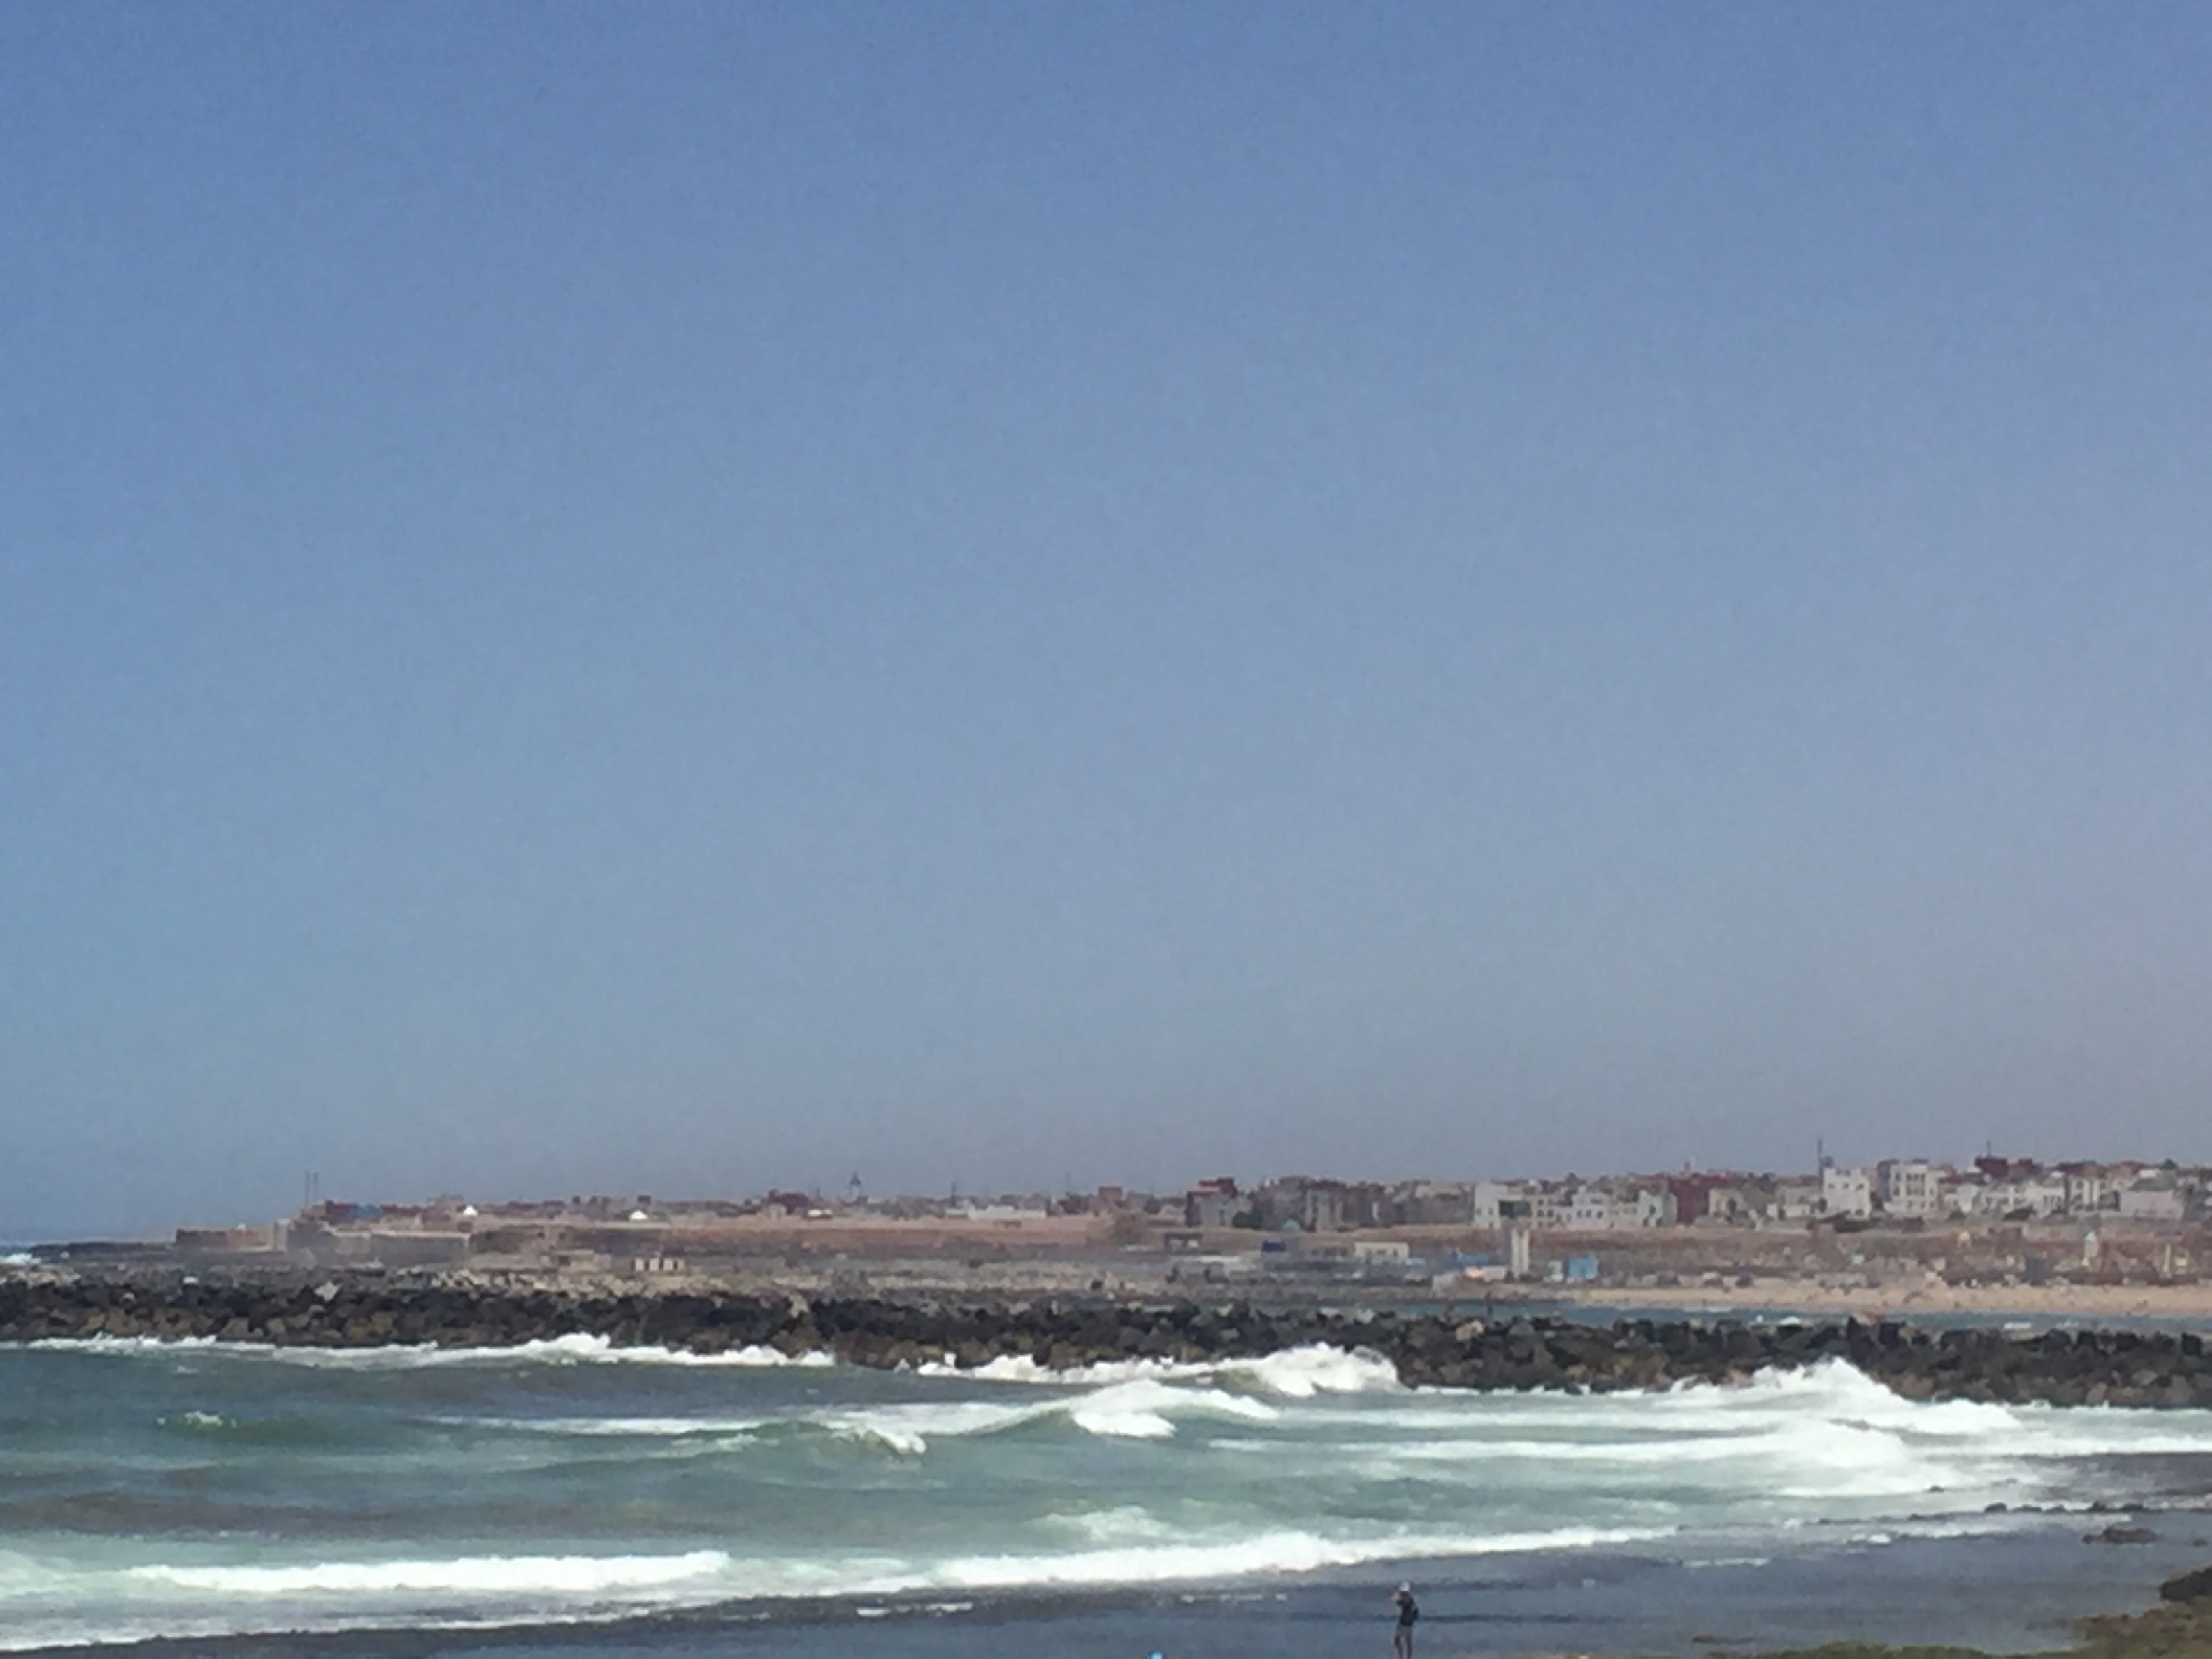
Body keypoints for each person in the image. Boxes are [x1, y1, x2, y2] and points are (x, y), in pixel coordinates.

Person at [1392, 1582, 1419, 1659]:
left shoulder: (1407, 1599)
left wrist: (1395, 1599)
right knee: (1407, 1641)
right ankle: (1407, 1657)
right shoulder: (1412, 1600)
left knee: (1398, 1640)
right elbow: (1416, 1613)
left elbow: (1401, 1603)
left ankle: (1402, 1657)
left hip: (1404, 1623)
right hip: (1409, 1624)